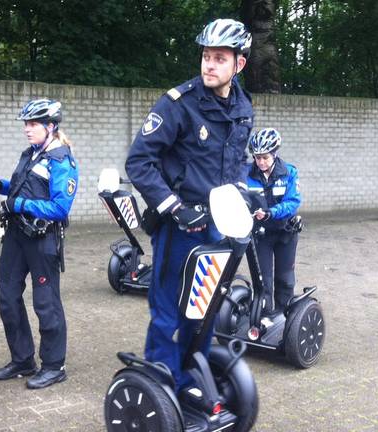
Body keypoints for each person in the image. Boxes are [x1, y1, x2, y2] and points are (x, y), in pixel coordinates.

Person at [124, 18, 253, 392]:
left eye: (219, 58)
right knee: (168, 313)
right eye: (205, 56)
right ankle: (163, 388)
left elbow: (238, 159)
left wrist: (244, 191)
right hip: (179, 227)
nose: (209, 65)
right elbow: (139, 162)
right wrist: (174, 207)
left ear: (238, 65)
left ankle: (192, 380)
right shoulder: (177, 104)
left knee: (205, 310)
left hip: (218, 227)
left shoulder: (243, 107)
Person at [0, 98, 78, 389]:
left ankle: (54, 365)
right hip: (16, 236)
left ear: (50, 126)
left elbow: (60, 208)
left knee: (45, 303)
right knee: (7, 296)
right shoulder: (31, 153)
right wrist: (2, 186)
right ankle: (23, 359)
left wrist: (20, 203)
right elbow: (23, 185)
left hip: (42, 239)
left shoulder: (61, 159)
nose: (27, 129)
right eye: (26, 124)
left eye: (33, 124)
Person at [243, 128, 302, 317]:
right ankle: (266, 316)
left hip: (285, 232)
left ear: (275, 154)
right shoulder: (246, 174)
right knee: (263, 281)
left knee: (285, 280)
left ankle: (284, 317)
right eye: (257, 157)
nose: (260, 162)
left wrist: (271, 212)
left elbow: (293, 202)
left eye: (265, 157)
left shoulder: (289, 173)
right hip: (261, 235)